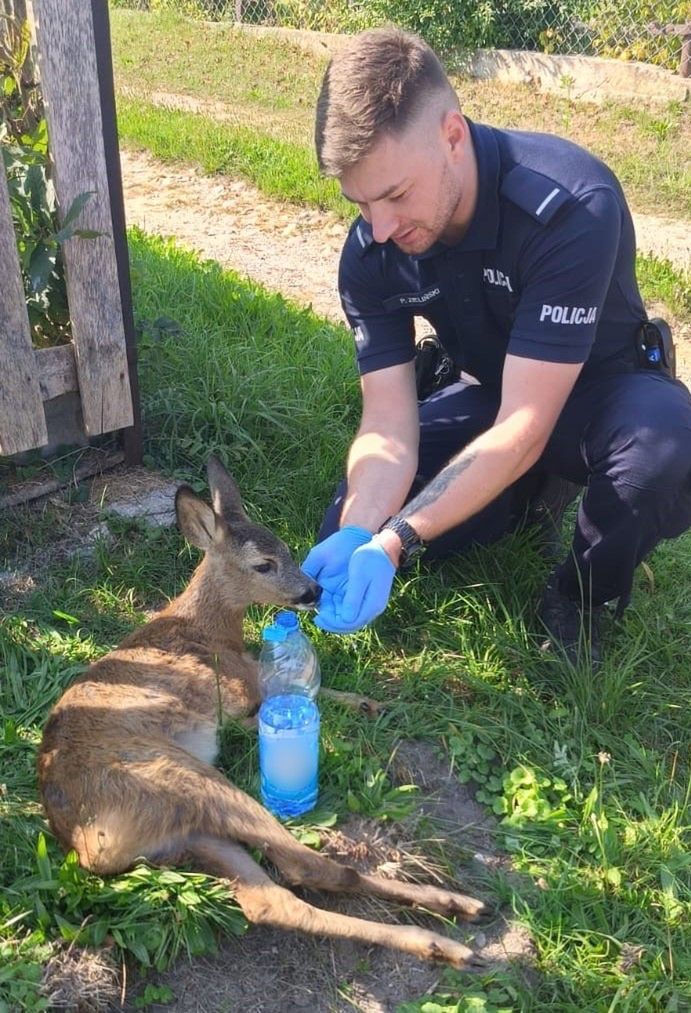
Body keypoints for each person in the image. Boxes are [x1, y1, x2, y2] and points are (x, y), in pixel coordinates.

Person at [301, 27, 691, 665]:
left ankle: (579, 594)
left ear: (452, 135)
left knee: (658, 456)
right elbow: (387, 423)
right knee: (358, 518)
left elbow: (526, 424)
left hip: (599, 393)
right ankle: (525, 498)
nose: (382, 227)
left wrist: (398, 536)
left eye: (397, 194)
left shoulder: (570, 206)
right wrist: (360, 530)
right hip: (489, 390)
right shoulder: (372, 251)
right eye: (359, 202)